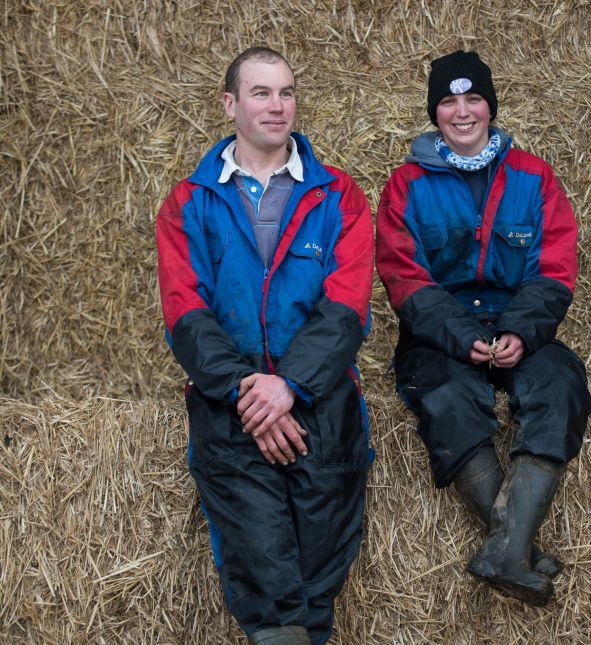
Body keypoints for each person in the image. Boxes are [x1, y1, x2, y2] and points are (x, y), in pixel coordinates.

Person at [156, 47, 374, 644]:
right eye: (260, 92)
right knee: (267, 581)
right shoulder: (188, 203)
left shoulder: (340, 197)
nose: (276, 106)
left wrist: (290, 384)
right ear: (230, 104)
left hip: (322, 408)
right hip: (232, 412)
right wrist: (249, 388)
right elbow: (186, 311)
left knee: (318, 578)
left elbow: (348, 306)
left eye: (286, 92)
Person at [376, 50, 591, 607]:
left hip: (518, 320)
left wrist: (521, 331)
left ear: (490, 107)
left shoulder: (533, 176)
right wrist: (457, 335)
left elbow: (554, 266)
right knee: (446, 396)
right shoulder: (405, 185)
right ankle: (515, 547)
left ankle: (506, 546)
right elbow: (403, 274)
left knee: (560, 384)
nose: (463, 111)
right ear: (435, 114)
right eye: (448, 101)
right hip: (439, 333)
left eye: (474, 99)